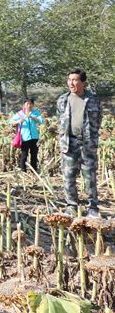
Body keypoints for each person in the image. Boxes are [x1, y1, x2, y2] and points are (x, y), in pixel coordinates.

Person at [57, 68, 103, 218]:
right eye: (69, 80)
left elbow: (99, 119)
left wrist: (92, 135)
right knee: (68, 176)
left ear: (83, 82)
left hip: (87, 144)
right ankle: (71, 206)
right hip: (69, 143)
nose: (71, 83)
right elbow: (60, 121)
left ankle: (93, 208)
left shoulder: (94, 99)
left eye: (75, 80)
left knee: (89, 176)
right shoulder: (62, 100)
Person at [9, 97, 44, 172]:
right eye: (27, 104)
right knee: (24, 155)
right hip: (24, 137)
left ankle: (34, 170)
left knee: (34, 155)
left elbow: (41, 121)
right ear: (24, 105)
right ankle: (23, 171)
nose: (29, 105)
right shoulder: (20, 114)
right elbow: (10, 121)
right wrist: (19, 121)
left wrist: (32, 117)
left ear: (33, 105)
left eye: (31, 104)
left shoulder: (35, 112)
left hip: (34, 137)